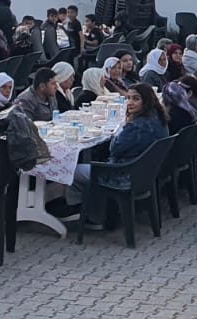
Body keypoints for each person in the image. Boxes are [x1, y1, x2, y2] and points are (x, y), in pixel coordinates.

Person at [71, 83, 168, 227]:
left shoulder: (137, 125)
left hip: (125, 175)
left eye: (136, 99)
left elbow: (114, 149)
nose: (130, 102)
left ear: (146, 100)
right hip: (147, 173)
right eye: (128, 98)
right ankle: (96, 207)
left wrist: (122, 128)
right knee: (95, 161)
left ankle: (93, 215)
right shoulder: (159, 118)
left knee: (73, 171)